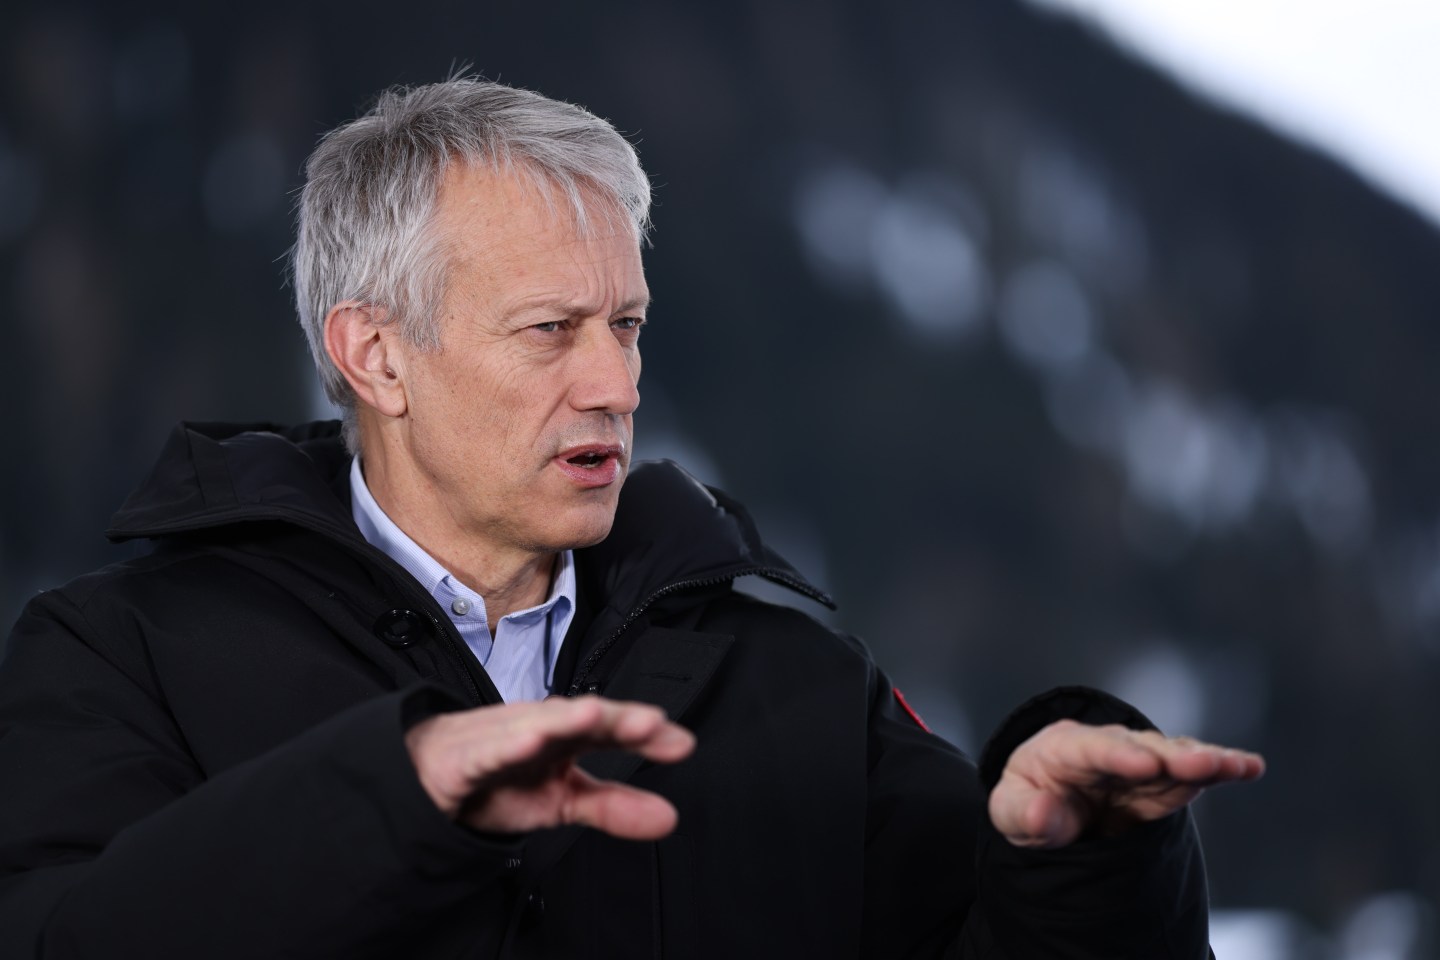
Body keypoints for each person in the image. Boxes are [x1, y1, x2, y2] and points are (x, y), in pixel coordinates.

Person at [0, 78, 1262, 959]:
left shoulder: (792, 682)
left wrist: (1080, 869)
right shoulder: (122, 660)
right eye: (551, 330)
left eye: (627, 326)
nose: (613, 383)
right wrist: (385, 800)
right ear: (377, 357)